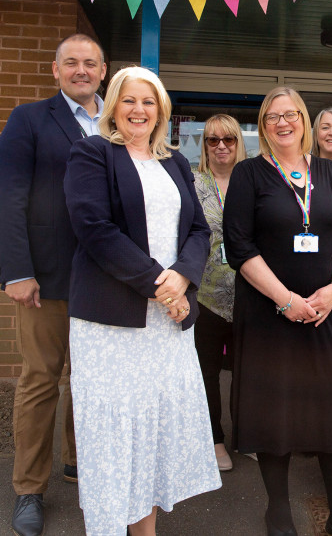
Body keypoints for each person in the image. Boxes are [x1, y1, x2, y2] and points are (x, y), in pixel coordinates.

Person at [63, 67, 220, 535]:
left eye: (148, 102)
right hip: (112, 321)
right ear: (113, 105)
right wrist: (160, 283)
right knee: (115, 435)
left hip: (166, 323)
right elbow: (94, 227)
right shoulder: (92, 153)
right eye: (129, 101)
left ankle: (145, 530)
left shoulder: (173, 163)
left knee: (153, 429)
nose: (139, 110)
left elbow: (198, 229)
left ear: (161, 111)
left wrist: (182, 278)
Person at [223, 87, 332, 536]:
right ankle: (278, 509)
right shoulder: (249, 174)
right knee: (275, 410)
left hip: (326, 309)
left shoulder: (328, 171)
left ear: (304, 120)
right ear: (263, 126)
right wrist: (284, 300)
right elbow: (238, 246)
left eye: (290, 115)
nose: (282, 123)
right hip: (269, 313)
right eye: (272, 117)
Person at [0, 34, 104, 536]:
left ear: (104, 71)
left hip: (106, 280)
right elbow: (7, 193)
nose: (81, 71)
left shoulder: (120, 122)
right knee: (41, 381)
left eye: (90, 63)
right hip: (47, 278)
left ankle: (82, 465)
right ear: (55, 70)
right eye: (71, 63)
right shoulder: (29, 120)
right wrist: (17, 269)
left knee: (93, 382)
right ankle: (28, 489)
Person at [193, 114, 246, 473]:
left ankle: (247, 436)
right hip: (205, 297)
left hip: (250, 295)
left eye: (228, 139)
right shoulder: (191, 183)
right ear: (205, 146)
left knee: (248, 372)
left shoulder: (252, 182)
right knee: (206, 372)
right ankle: (214, 439)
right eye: (213, 140)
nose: (221, 146)